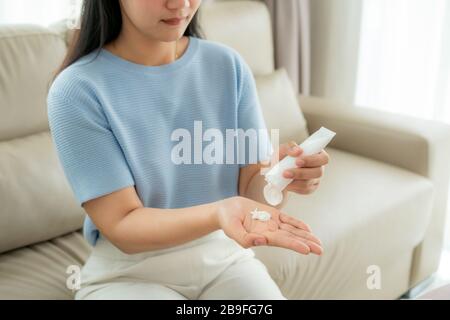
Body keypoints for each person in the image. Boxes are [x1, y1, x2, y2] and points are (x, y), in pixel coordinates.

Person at [47, 0, 329, 300]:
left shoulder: (228, 66)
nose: (180, 4)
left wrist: (282, 176)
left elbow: (250, 194)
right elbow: (122, 225)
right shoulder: (76, 91)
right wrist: (219, 212)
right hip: (129, 276)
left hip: (225, 261)